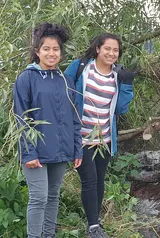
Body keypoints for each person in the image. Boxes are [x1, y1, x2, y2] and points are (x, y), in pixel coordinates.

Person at [13, 23, 82, 238]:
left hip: (59, 149)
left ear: (61, 53)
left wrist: (76, 148)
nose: (51, 53)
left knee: (53, 196)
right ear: (37, 52)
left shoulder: (65, 80)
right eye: (46, 49)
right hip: (35, 151)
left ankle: (49, 235)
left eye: (55, 49)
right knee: (39, 197)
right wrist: (29, 152)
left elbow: (74, 117)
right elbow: (21, 117)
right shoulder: (27, 78)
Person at [64, 33, 134, 237]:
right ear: (97, 49)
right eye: (107, 49)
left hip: (104, 138)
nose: (112, 53)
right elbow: (64, 95)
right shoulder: (80, 68)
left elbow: (120, 109)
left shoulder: (116, 75)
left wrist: (127, 84)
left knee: (100, 180)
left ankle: (94, 220)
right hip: (82, 137)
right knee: (90, 180)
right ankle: (93, 226)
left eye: (115, 50)